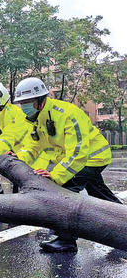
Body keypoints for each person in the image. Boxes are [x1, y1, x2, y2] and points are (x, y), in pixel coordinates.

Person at [12, 77, 121, 253]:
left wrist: (56, 176)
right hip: (81, 159)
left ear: (41, 100)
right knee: (98, 191)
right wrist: (18, 157)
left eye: (27, 102)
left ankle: (66, 240)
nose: (24, 106)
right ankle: (122, 220)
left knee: (63, 192)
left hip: (92, 158)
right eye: (21, 103)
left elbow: (78, 152)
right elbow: (34, 145)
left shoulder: (67, 113)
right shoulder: (37, 118)